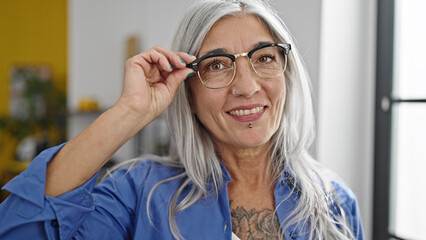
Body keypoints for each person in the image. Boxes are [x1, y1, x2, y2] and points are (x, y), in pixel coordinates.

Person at [0, 0, 364, 239]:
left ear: (287, 71)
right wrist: (128, 113)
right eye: (217, 65)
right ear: (188, 92)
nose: (247, 86)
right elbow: (20, 231)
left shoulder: (335, 200)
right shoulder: (137, 193)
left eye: (264, 57)